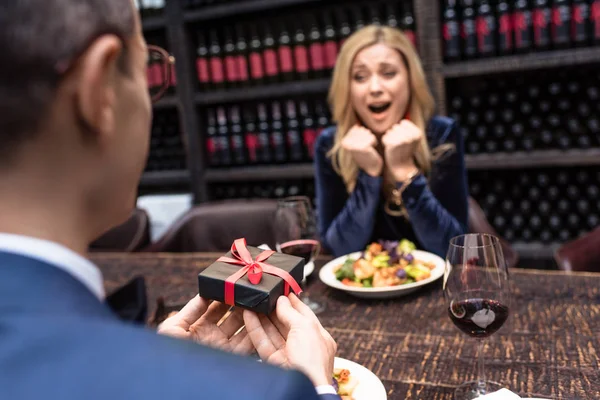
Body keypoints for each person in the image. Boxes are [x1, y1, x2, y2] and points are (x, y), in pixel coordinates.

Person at [0, 1, 340, 399]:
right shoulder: (270, 391)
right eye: (150, 70)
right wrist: (318, 388)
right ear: (100, 89)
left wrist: (173, 367)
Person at [314, 25, 468, 258]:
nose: (375, 88)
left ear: (410, 80)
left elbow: (452, 249)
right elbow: (339, 249)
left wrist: (405, 172)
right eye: (360, 77)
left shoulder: (441, 134)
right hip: (357, 288)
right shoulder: (329, 145)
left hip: (435, 290)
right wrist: (368, 176)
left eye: (388, 73)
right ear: (348, 88)